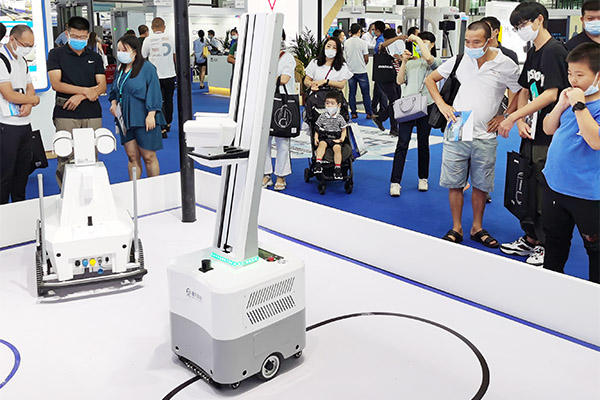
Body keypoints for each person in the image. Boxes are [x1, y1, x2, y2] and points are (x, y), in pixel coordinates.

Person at [424, 21, 521, 247]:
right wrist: (442, 105)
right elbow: (430, 79)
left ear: (490, 40)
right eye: (467, 41)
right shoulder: (459, 60)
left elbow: (518, 90)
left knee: (481, 184)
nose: (471, 46)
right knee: (454, 183)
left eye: (476, 42)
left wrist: (506, 115)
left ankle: (477, 227)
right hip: (458, 128)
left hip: (486, 134)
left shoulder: (505, 64)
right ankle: (456, 227)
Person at [498, 2, 569, 265]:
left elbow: (551, 93)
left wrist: (513, 116)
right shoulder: (533, 51)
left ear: (539, 19)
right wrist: (520, 118)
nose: (520, 30)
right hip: (531, 129)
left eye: (523, 24)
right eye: (516, 26)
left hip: (550, 132)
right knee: (527, 182)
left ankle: (546, 242)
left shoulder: (554, 51)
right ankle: (531, 237)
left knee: (544, 188)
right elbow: (525, 88)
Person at [541, 43, 600, 283]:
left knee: (595, 249)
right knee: (554, 243)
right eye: (569, 73)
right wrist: (561, 105)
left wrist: (578, 105)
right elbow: (548, 128)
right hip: (554, 185)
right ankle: (551, 288)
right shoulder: (571, 100)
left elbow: (595, 141)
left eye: (580, 75)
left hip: (587, 193)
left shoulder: (586, 104)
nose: (573, 81)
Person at [47, 16, 106, 189]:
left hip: (92, 112)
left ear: (88, 36)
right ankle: (66, 194)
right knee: (66, 155)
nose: (79, 40)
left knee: (90, 156)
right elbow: (56, 84)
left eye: (82, 37)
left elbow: (102, 86)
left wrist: (81, 96)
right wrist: (86, 91)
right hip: (66, 112)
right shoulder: (56, 54)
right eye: (74, 36)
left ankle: (90, 194)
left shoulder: (94, 57)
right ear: (67, 34)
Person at [389, 32, 441, 197]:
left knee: (423, 143)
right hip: (408, 106)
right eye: (419, 43)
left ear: (432, 45)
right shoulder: (411, 63)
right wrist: (404, 61)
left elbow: (429, 59)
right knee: (402, 143)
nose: (420, 46)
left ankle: (423, 178)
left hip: (427, 106)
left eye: (425, 42)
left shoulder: (435, 62)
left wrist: (417, 39)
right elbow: (399, 81)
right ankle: (395, 181)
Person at [109, 35, 164, 180]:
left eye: (124, 50)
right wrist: (113, 103)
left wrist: (151, 113)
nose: (121, 53)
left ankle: (154, 186)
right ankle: (134, 188)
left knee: (148, 156)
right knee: (132, 156)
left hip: (143, 116)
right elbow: (114, 90)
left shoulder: (147, 68)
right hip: (124, 118)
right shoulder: (120, 69)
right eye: (119, 50)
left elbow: (154, 90)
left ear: (135, 51)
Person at [0, 24, 40, 204]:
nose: (28, 49)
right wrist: (34, 100)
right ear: (12, 39)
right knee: (4, 175)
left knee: (22, 174)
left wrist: (29, 103)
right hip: (6, 125)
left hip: (24, 124)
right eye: (25, 45)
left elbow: (29, 87)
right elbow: (8, 94)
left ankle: (20, 208)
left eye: (31, 45)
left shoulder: (22, 60)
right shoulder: (1, 59)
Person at [263, 30, 296, 191]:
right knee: (264, 140)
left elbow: (284, 79)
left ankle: (281, 175)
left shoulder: (287, 57)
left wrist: (265, 78)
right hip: (264, 102)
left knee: (282, 140)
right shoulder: (263, 57)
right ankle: (266, 173)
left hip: (282, 104)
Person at [142, 17, 176, 139]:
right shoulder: (171, 38)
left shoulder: (148, 40)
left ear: (152, 28)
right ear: (164, 27)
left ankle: (161, 127)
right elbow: (175, 56)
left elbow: (143, 56)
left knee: (157, 101)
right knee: (169, 100)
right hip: (170, 74)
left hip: (154, 76)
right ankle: (168, 122)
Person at [313, 91, 349, 180]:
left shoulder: (340, 118)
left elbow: (344, 129)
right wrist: (316, 137)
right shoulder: (322, 116)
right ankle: (318, 163)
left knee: (337, 149)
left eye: (332, 104)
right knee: (322, 145)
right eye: (327, 103)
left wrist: (342, 138)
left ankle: (337, 168)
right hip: (325, 137)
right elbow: (317, 128)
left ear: (338, 105)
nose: (329, 105)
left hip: (336, 138)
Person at [372, 28, 402, 136]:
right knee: (394, 102)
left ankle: (381, 118)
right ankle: (393, 128)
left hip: (396, 76)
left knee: (396, 101)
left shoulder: (397, 46)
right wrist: (397, 38)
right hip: (386, 77)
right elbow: (382, 46)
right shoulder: (383, 46)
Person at [344, 23, 373, 120]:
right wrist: (363, 64)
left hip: (350, 71)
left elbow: (346, 56)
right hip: (361, 71)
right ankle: (369, 113)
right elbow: (366, 57)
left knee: (352, 93)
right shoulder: (363, 43)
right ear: (359, 31)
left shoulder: (346, 42)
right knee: (366, 94)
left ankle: (353, 113)